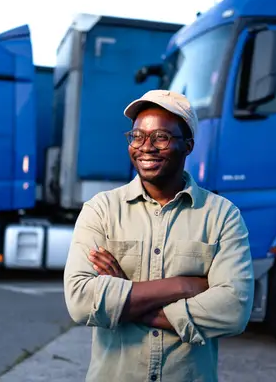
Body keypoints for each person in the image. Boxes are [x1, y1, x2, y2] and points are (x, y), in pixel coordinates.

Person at [63, 89, 254, 382]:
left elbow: (234, 309)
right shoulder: (101, 210)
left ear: (187, 145)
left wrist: (126, 295)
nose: (145, 147)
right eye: (137, 136)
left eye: (161, 137)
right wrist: (182, 286)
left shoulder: (222, 216)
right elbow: (80, 300)